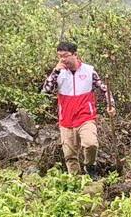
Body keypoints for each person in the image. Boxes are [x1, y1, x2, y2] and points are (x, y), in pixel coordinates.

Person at [42, 41, 116, 177]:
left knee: (90, 144)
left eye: (65, 56)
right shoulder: (59, 73)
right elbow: (45, 90)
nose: (62, 60)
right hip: (66, 120)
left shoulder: (89, 71)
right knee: (70, 155)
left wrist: (110, 105)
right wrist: (56, 71)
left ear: (75, 55)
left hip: (85, 117)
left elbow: (105, 89)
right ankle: (76, 182)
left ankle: (90, 166)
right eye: (59, 57)